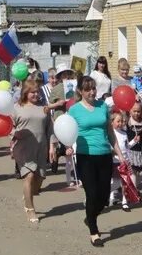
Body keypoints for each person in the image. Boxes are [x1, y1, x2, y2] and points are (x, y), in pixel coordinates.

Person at [67, 75, 126, 246]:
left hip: (105, 155)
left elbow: (110, 132)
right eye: (88, 89)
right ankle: (94, 231)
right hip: (86, 157)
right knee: (92, 194)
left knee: (103, 197)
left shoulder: (102, 107)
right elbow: (67, 130)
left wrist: (120, 154)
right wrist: (68, 146)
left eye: (93, 88)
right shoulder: (75, 110)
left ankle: (90, 216)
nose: (92, 92)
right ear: (80, 91)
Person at [12, 79, 53, 222]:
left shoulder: (44, 107)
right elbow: (8, 126)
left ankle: (28, 194)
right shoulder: (17, 107)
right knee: (28, 176)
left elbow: (50, 128)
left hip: (41, 147)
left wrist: (52, 146)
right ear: (25, 93)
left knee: (39, 178)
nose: (36, 94)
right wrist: (12, 136)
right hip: (23, 147)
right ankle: (30, 209)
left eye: (37, 91)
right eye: (32, 92)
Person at [109, 110, 132, 212]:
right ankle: (106, 194)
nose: (120, 124)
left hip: (125, 161)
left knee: (125, 182)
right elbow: (110, 146)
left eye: (122, 121)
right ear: (112, 122)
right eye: (118, 121)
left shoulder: (124, 133)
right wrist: (114, 152)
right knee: (116, 182)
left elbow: (127, 147)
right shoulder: (111, 134)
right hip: (114, 161)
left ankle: (124, 201)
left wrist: (134, 142)